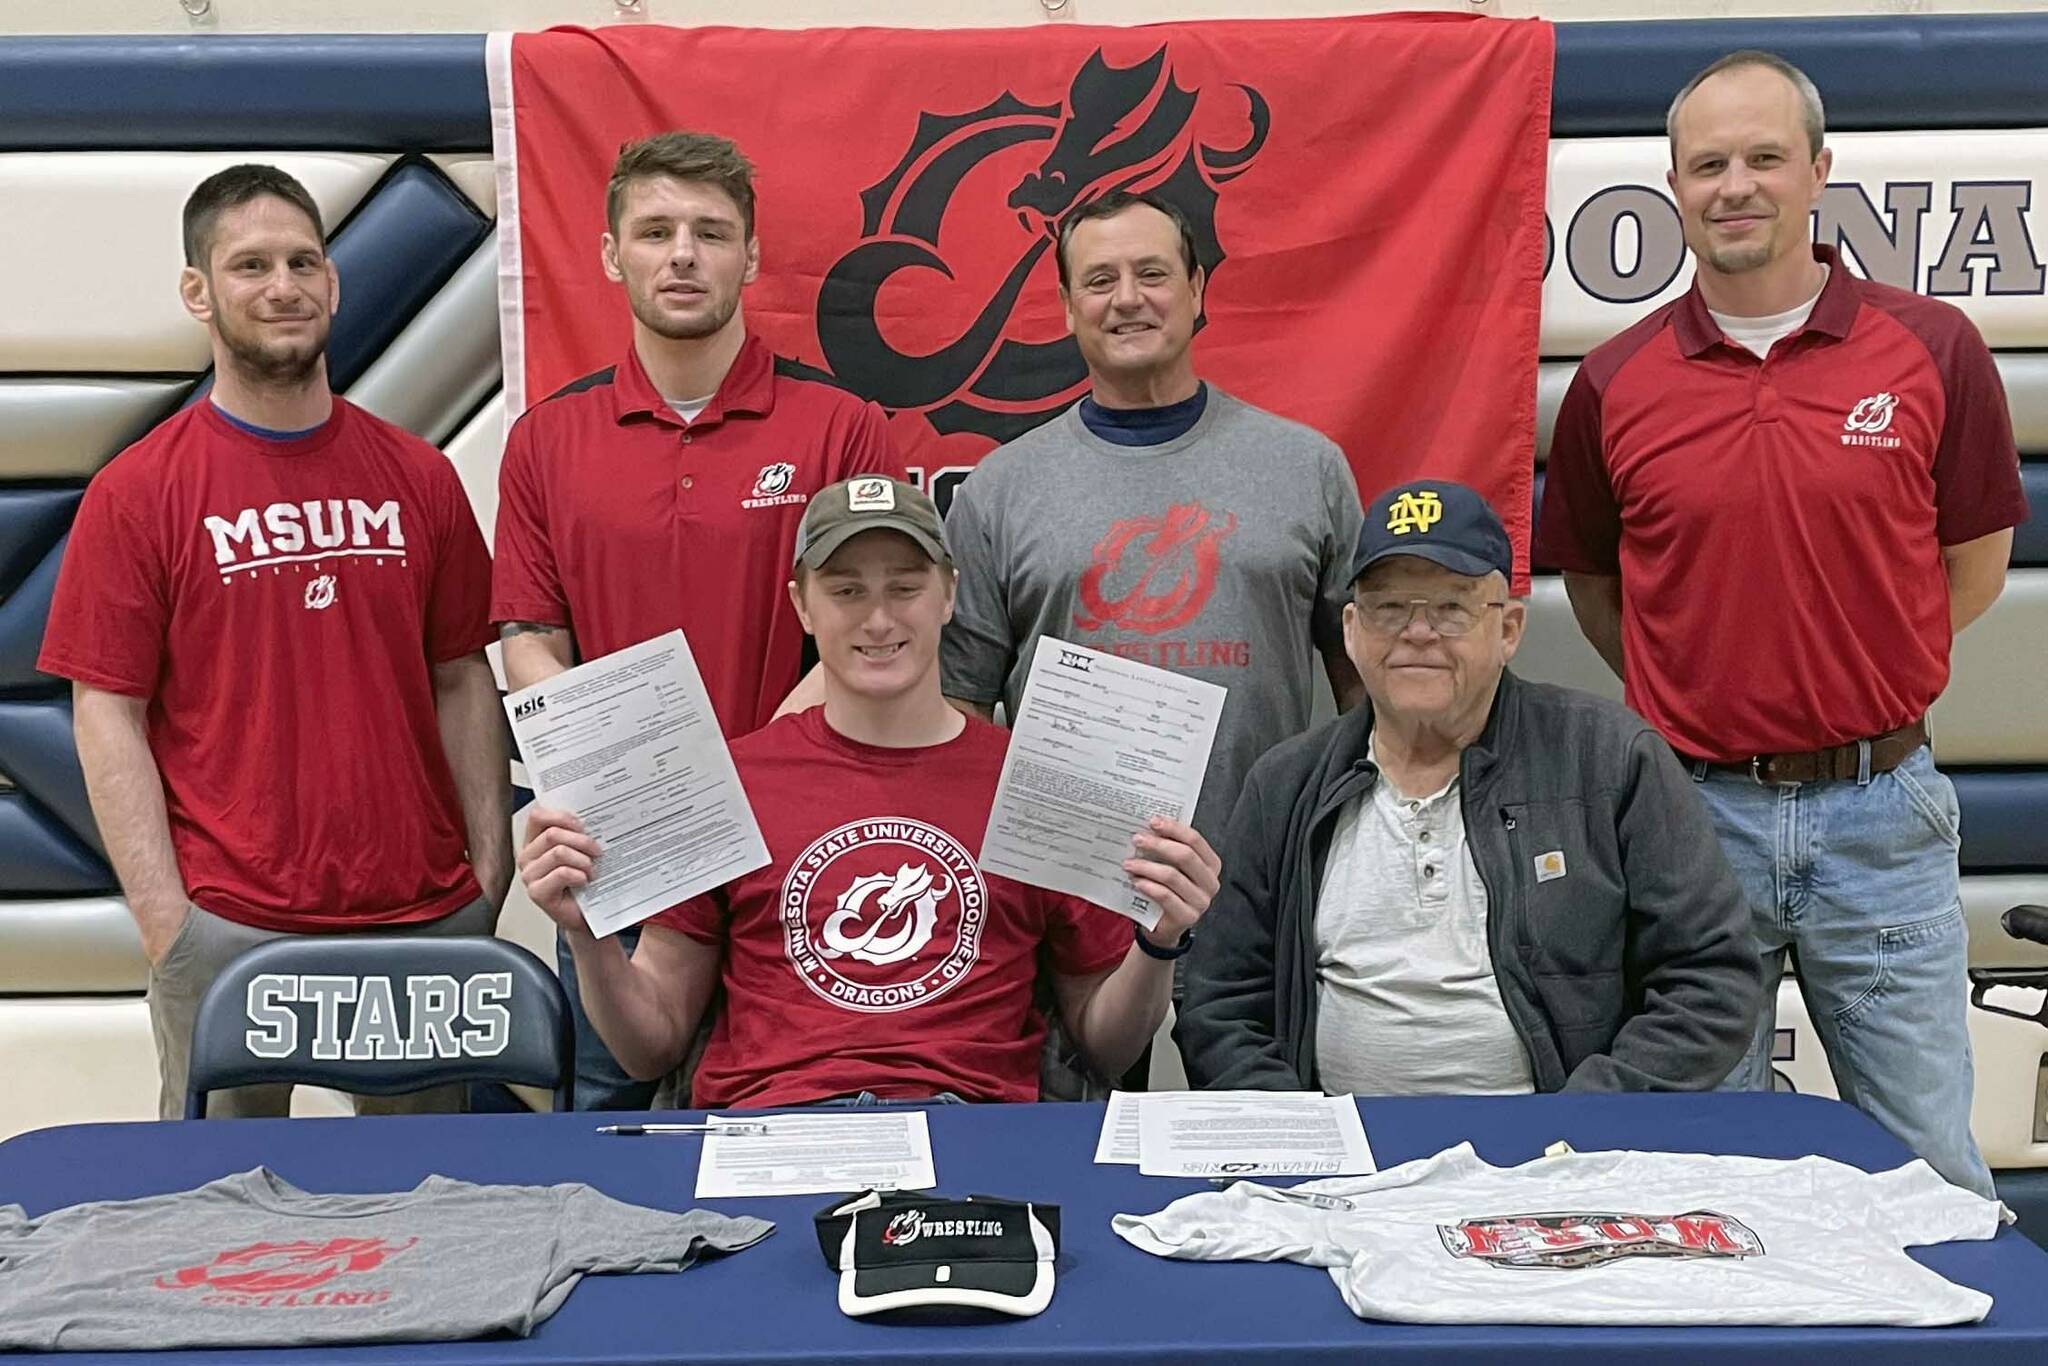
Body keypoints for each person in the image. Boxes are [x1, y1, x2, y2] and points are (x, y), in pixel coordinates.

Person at [1536, 51, 2028, 1196]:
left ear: (1817, 169)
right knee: (1705, 1172)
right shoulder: (1611, 381)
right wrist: (1707, 691)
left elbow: (1971, 566)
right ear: (1672, 185)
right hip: (1688, 817)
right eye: (1707, 164)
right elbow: (1600, 591)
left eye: (1762, 157)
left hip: (1882, 809)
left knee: (1928, 1169)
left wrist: (1859, 669)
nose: (1735, 185)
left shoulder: (1932, 349)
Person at [39, 164, 508, 1119]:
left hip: (421, 917)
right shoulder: (138, 493)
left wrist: (487, 876)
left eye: (302, 262)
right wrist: (167, 923)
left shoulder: (419, 476)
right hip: (229, 925)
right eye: (250, 265)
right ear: (197, 292)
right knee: (219, 1201)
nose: (283, 286)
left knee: (432, 1196)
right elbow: (107, 712)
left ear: (333, 282)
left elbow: (462, 676)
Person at [516, 478, 1219, 1107]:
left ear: (950, 594)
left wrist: (1159, 940)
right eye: (847, 591)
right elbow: (651, 1047)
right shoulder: (729, 780)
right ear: (802, 605)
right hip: (772, 1137)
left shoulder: (1042, 782)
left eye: (904, 588)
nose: (879, 621)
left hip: (971, 1135)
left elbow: (1105, 1047)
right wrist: (586, 933)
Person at [492, 130, 905, 1108]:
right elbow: (528, 640)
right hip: (618, 856)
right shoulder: (545, 439)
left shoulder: (842, 427)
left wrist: (737, 788)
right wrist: (640, 786)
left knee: (801, 1117)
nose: (683, 254)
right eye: (656, 231)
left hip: (794, 849)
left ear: (750, 258)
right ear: (610, 255)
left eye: (711, 233)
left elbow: (871, 634)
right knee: (610, 1132)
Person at [1177, 481, 1758, 1095]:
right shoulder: (1286, 784)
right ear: (1350, 629)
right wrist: (1297, 1130)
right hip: (1336, 1145)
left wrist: (1584, 1117)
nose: (1417, 631)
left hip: (1557, 1142)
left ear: (1508, 629)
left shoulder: (1612, 758)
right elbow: (1222, 1006)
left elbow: (1710, 980)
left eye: (1451, 608)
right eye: (1388, 608)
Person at [941, 190, 1364, 848]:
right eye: (1100, 281)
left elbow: (1362, 680)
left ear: (1195, 289)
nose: (1128, 298)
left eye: (1152, 273)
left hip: (1265, 873)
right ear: (1068, 306)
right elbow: (960, 708)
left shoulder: (1308, 468)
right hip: (1068, 884)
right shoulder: (998, 490)